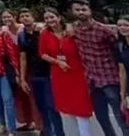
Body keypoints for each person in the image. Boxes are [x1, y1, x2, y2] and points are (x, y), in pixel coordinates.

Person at [71, 0, 129, 136]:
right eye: (77, 10)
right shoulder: (74, 29)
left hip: (109, 79)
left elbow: (118, 52)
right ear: (72, 12)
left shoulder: (104, 30)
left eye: (84, 9)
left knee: (121, 116)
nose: (81, 12)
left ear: (90, 11)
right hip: (92, 80)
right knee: (101, 117)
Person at [39, 8, 93, 136]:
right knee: (68, 110)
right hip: (59, 74)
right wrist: (58, 62)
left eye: (52, 17)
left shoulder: (71, 31)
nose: (49, 20)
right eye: (46, 18)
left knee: (81, 107)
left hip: (77, 72)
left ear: (58, 17)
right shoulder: (45, 34)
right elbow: (42, 53)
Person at [18, 8, 64, 136]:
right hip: (34, 74)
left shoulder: (43, 31)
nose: (25, 18)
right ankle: (47, 131)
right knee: (41, 106)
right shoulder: (22, 36)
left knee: (52, 106)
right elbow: (23, 58)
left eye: (27, 15)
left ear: (33, 17)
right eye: (22, 16)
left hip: (49, 72)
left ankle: (59, 133)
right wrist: (22, 78)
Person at [2, 9, 37, 132]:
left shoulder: (23, 28)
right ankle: (26, 121)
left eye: (9, 17)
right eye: (4, 18)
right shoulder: (4, 30)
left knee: (30, 93)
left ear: (15, 17)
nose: (7, 20)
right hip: (14, 64)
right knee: (19, 94)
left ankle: (36, 121)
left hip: (28, 62)